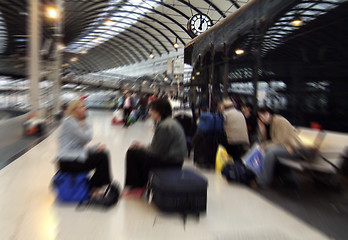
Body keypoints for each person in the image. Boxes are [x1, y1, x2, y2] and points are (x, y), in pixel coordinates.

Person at [124, 98, 187, 191]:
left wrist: (142, 149)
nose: (150, 112)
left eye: (152, 110)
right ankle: (141, 184)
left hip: (170, 162)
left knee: (132, 153)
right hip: (176, 160)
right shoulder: (171, 122)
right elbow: (160, 146)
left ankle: (135, 187)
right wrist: (143, 146)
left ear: (158, 112)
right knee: (140, 153)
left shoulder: (164, 126)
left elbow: (156, 152)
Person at [56, 99, 112, 199]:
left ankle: (96, 185)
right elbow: (86, 138)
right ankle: (95, 187)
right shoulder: (69, 122)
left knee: (102, 153)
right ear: (74, 110)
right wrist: (88, 124)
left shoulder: (74, 122)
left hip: (72, 158)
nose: (84, 109)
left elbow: (78, 147)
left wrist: (95, 148)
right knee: (102, 157)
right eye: (81, 107)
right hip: (67, 161)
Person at [257, 107, 303, 187]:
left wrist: (265, 145)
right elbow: (263, 141)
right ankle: (256, 175)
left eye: (264, 114)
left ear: (270, 113)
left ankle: (263, 182)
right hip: (283, 148)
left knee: (271, 152)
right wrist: (262, 131)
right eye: (260, 116)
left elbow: (281, 141)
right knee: (263, 149)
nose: (263, 118)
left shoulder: (279, 121)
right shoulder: (267, 125)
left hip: (293, 149)